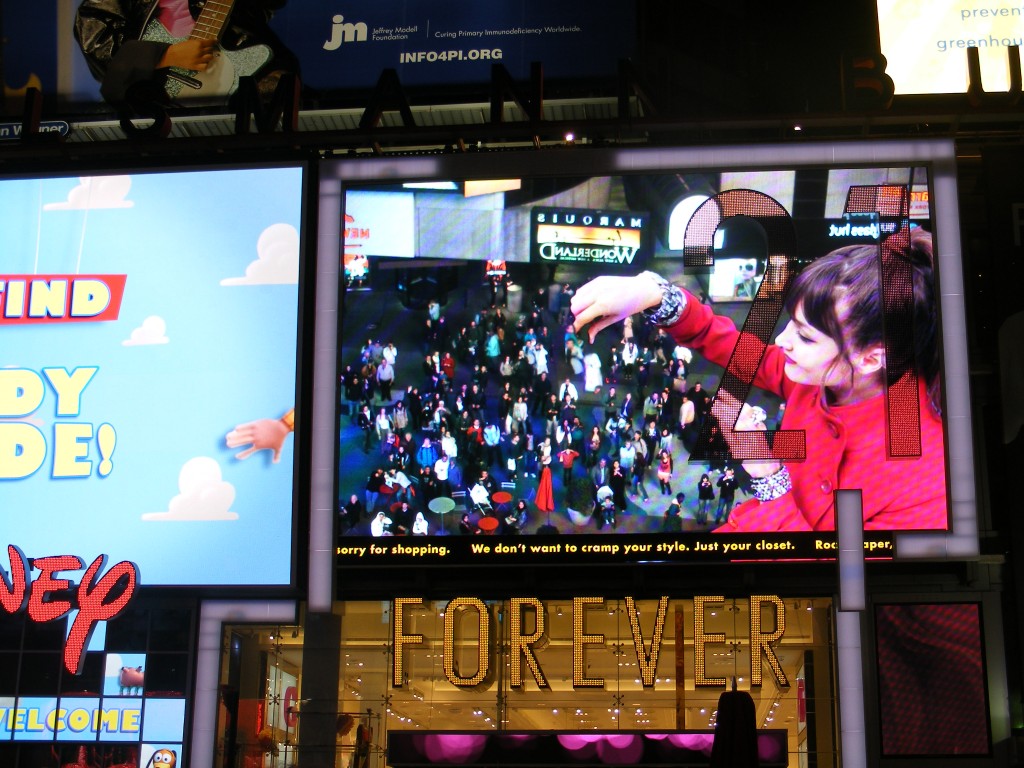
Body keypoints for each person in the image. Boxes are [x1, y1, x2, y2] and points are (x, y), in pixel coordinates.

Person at [570, 228, 945, 532]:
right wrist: (655, 295)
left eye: (806, 336)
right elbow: (736, 349)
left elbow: (833, 585)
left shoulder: (927, 478)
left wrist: (765, 470)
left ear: (872, 358)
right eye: (791, 325)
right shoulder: (823, 375)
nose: (782, 341)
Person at [74, 0, 299, 106]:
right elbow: (95, 39)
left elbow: (265, 7)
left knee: (283, 84)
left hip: (235, 71)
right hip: (152, 96)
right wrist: (163, 55)